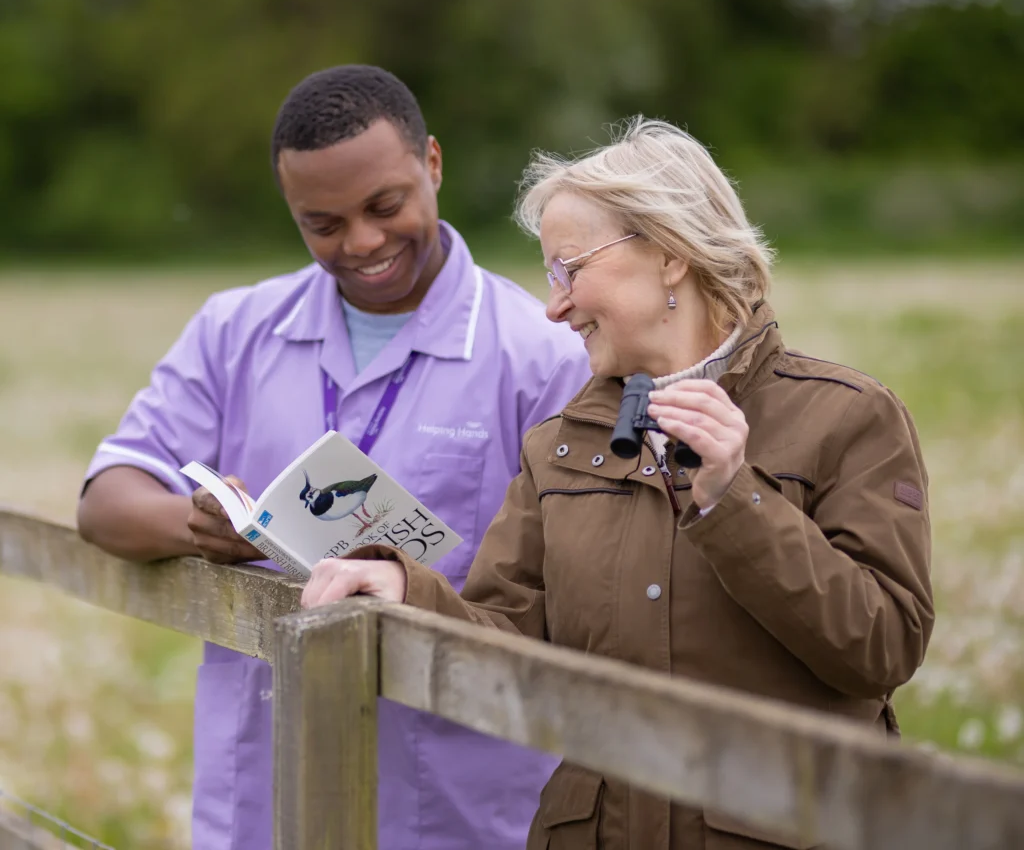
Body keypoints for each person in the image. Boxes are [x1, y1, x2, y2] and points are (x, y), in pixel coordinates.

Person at [302, 117, 935, 850]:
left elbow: (884, 648)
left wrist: (737, 499)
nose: (555, 306)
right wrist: (408, 592)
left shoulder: (847, 417)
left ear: (668, 255)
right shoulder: (559, 442)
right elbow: (510, 641)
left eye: (570, 269)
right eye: (550, 276)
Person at [77, 65, 593, 850]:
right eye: (322, 223)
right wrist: (193, 526)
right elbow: (104, 499)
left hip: (455, 808)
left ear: (433, 164)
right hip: (260, 800)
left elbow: (582, 590)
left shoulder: (543, 356)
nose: (362, 242)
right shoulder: (234, 329)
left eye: (385, 206)